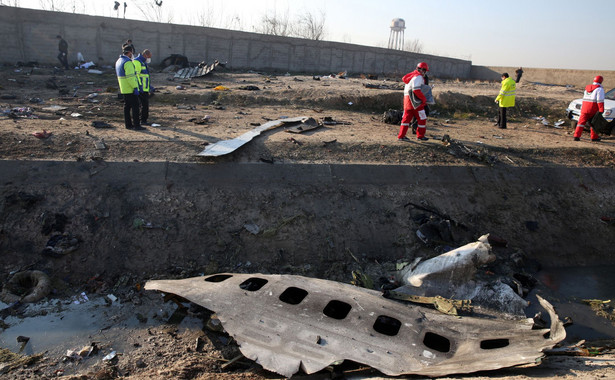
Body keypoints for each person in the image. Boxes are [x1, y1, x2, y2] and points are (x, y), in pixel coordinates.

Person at [115, 47, 146, 131]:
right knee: (135, 107)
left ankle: (128, 124)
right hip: (130, 88)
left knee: (127, 107)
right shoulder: (128, 62)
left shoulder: (119, 61)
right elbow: (130, 77)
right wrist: (135, 87)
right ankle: (137, 125)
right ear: (129, 53)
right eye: (132, 53)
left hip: (124, 88)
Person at [398, 62, 430, 141]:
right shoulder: (418, 77)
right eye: (425, 71)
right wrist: (423, 99)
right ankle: (420, 136)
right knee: (422, 118)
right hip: (416, 101)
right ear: (423, 70)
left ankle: (401, 136)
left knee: (406, 119)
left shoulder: (411, 77)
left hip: (407, 101)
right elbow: (416, 89)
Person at [574, 75, 605, 142]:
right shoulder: (599, 89)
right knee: (594, 123)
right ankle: (594, 138)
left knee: (580, 123)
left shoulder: (587, 89)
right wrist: (601, 110)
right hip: (593, 108)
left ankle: (576, 136)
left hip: (584, 108)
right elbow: (600, 101)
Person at [134, 49, 153, 125]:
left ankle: (143, 120)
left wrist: (149, 87)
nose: (149, 59)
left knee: (144, 105)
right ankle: (143, 121)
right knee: (143, 105)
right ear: (145, 55)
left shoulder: (142, 62)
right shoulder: (137, 62)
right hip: (141, 88)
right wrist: (139, 86)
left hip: (145, 88)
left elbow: (145, 76)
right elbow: (137, 75)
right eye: (149, 57)